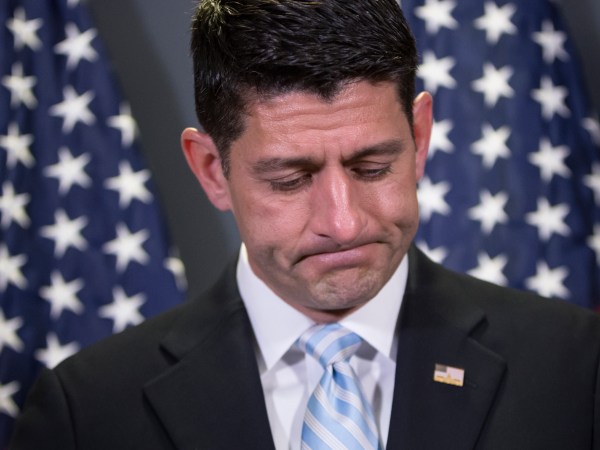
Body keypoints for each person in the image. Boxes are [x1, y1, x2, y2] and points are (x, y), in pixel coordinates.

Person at [9, 0, 600, 449]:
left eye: (373, 166)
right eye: (290, 179)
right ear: (212, 169)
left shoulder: (579, 371)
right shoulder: (85, 413)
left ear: (419, 138)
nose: (342, 223)